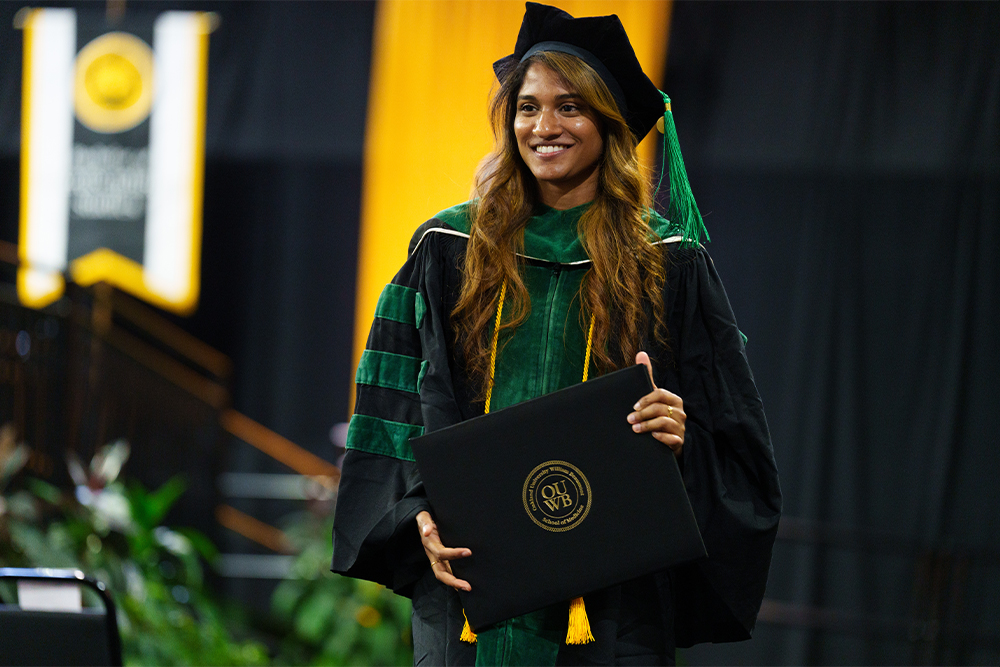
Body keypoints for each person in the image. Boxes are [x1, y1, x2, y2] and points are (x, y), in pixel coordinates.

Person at [332, 3, 780, 665]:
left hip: (611, 595)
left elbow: (731, 436)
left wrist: (681, 436)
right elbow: (398, 409)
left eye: (570, 106)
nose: (544, 126)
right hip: (468, 583)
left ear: (608, 120)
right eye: (527, 107)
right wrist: (415, 515)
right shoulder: (449, 247)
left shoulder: (670, 261)